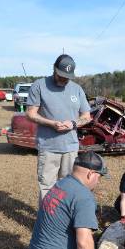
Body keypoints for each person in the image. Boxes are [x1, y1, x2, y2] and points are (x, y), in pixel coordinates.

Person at [26, 54, 91, 200]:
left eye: (67, 77)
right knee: (47, 185)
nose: (63, 79)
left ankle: (62, 218)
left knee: (68, 185)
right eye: (61, 75)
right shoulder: (39, 85)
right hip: (48, 147)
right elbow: (30, 114)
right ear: (54, 69)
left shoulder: (77, 89)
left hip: (71, 148)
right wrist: (51, 123)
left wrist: (73, 123)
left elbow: (86, 116)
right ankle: (46, 220)